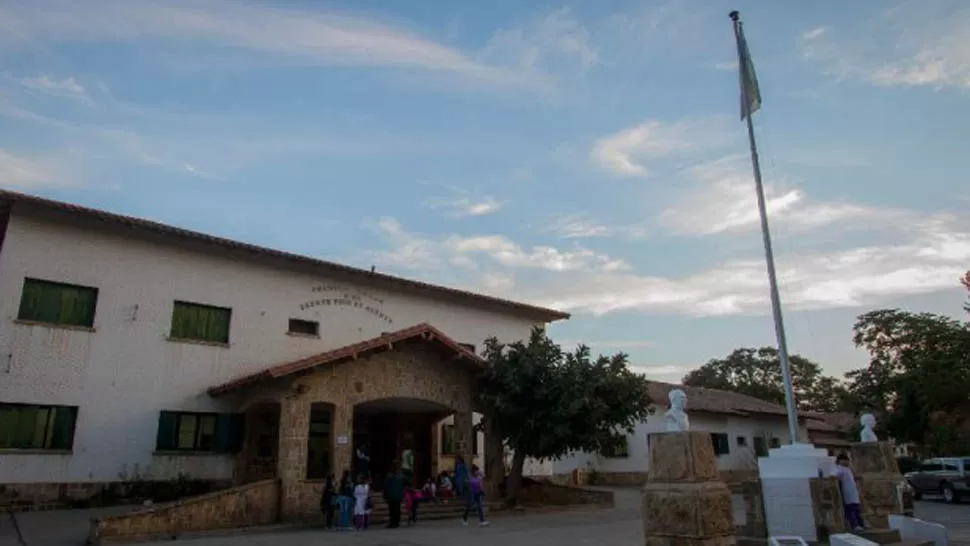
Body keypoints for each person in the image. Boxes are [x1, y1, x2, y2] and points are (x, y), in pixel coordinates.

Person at [832, 453, 864, 531]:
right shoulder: (839, 468)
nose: (847, 462)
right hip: (847, 493)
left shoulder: (847, 469)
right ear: (840, 461)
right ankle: (855, 525)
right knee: (851, 510)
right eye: (846, 460)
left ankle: (861, 524)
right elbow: (835, 476)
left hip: (853, 492)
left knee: (857, 510)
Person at [383, 461, 407, 528]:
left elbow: (386, 486)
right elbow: (405, 485)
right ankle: (396, 522)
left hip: (391, 495)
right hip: (399, 495)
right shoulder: (402, 476)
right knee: (397, 509)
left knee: (392, 509)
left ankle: (392, 523)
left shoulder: (389, 476)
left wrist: (385, 495)